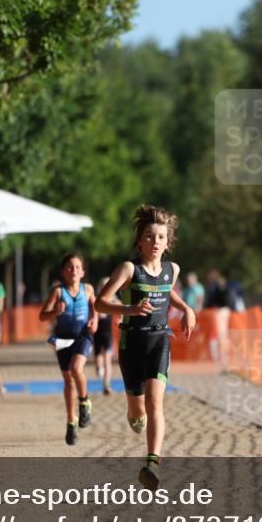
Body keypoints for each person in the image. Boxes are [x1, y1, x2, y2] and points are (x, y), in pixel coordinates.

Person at [95, 205, 196, 491]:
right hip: (131, 343)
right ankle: (132, 411)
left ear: (168, 242)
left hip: (159, 340)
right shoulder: (129, 269)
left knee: (155, 401)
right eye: (149, 237)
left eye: (161, 237)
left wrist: (186, 308)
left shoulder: (172, 270)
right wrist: (129, 307)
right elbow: (100, 302)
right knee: (138, 411)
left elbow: (168, 293)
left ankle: (152, 463)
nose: (155, 242)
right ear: (139, 240)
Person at [39, 253, 97, 445]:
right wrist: (55, 311)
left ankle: (84, 401)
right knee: (68, 380)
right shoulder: (58, 292)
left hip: (82, 336)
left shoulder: (87, 289)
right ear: (63, 272)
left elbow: (95, 307)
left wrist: (93, 320)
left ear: (83, 272)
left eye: (77, 267)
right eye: (69, 267)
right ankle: (71, 422)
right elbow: (42, 316)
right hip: (63, 338)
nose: (73, 270)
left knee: (76, 369)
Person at [93, 276, 115, 396]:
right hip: (97, 333)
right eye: (103, 285)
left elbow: (123, 307)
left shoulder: (113, 300)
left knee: (107, 359)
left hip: (108, 333)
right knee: (98, 358)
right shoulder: (96, 300)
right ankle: (98, 368)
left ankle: (107, 385)